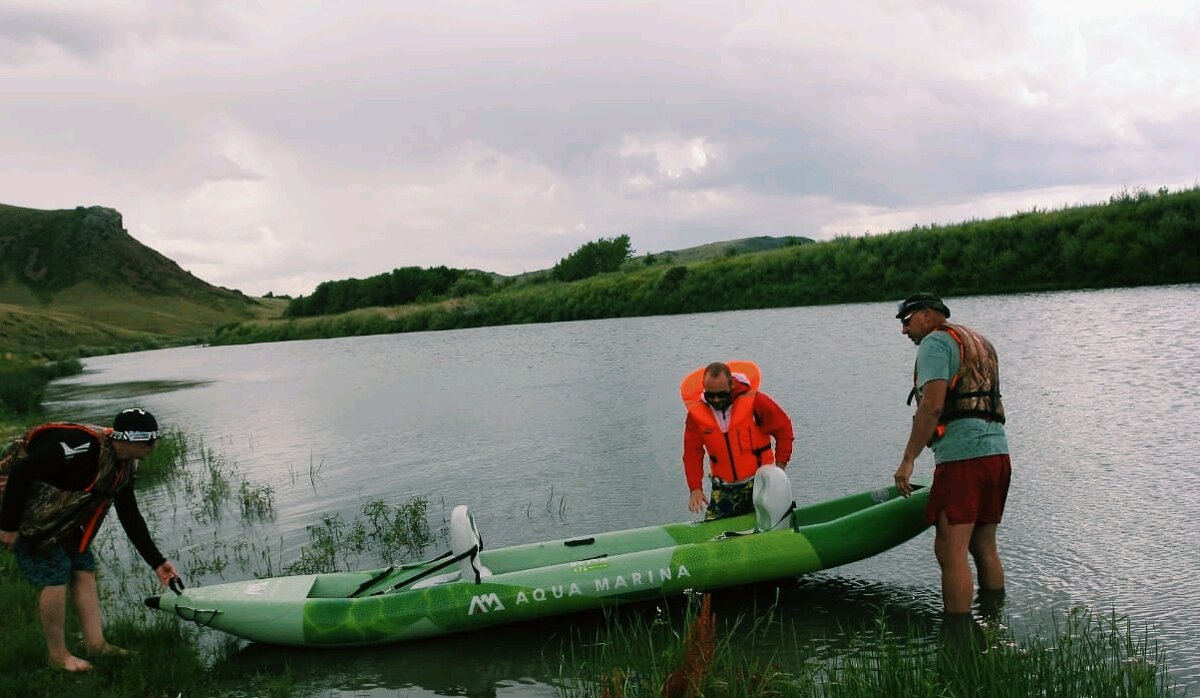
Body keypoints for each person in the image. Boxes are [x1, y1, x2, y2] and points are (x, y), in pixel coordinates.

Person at [0, 408, 181, 672]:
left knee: (84, 568)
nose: (154, 445)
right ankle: (58, 656)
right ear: (127, 438)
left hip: (59, 521)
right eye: (148, 439)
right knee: (55, 576)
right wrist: (8, 526)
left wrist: (157, 562)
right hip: (19, 512)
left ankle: (96, 645)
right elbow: (20, 473)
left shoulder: (124, 466)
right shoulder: (81, 447)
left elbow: (129, 515)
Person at [891, 293, 1010, 619]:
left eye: (907, 320)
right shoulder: (978, 340)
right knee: (984, 546)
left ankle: (957, 638)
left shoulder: (935, 344)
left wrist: (908, 459)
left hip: (963, 460)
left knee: (950, 549)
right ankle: (993, 621)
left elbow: (932, 406)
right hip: (997, 454)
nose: (904, 330)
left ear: (928, 315)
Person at [681, 360, 794, 520]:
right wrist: (695, 489)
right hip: (725, 488)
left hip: (760, 483)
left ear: (732, 385)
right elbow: (692, 453)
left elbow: (784, 429)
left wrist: (779, 468)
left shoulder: (756, 401)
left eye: (721, 394)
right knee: (714, 532)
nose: (716, 400)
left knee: (769, 525)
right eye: (710, 395)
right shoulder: (696, 416)